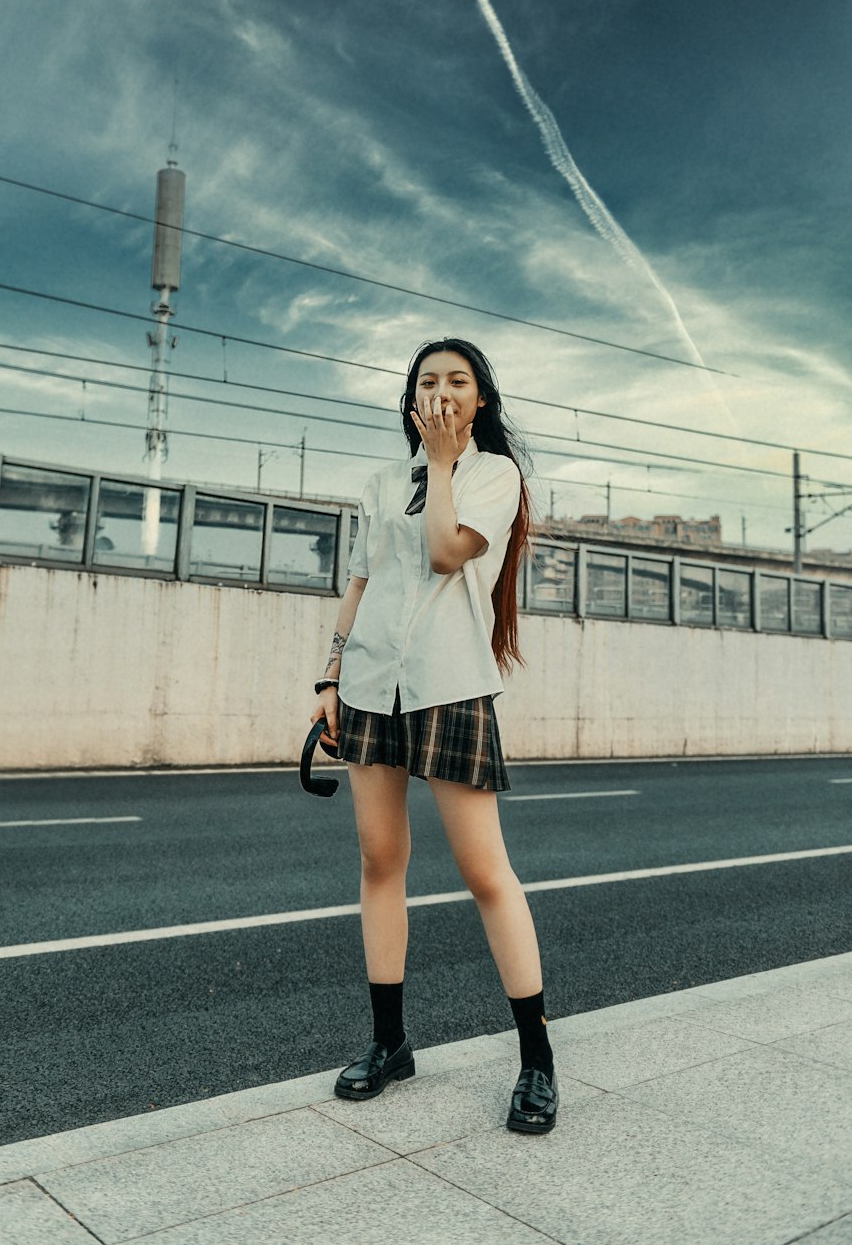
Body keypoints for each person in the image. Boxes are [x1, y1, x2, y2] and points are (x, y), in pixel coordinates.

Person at [310, 337, 558, 1134]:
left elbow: (448, 553)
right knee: (380, 861)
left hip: (451, 687)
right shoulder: (382, 483)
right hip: (371, 688)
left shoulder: (493, 474)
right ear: (410, 398)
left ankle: (538, 1062)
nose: (442, 392)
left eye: (458, 381)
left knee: (488, 873)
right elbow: (360, 582)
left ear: (480, 398)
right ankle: (390, 1045)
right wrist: (328, 679)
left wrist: (445, 466)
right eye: (428, 382)